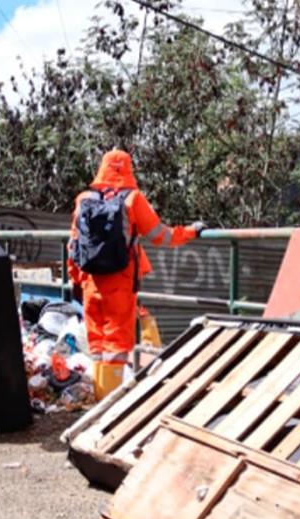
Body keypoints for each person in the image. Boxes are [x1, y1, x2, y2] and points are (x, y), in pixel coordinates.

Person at [68, 149, 205, 400]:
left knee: (98, 345)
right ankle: (107, 408)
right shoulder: (132, 199)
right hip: (119, 283)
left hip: (90, 282)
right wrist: (191, 231)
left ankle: (99, 402)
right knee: (116, 347)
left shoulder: (83, 198)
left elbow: (73, 245)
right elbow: (161, 235)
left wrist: (75, 279)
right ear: (128, 169)